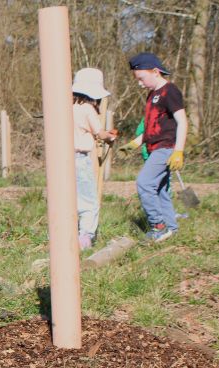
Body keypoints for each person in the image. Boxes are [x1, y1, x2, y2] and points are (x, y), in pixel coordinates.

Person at [122, 52, 187, 242]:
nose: (140, 84)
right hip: (154, 148)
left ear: (155, 72)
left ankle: (158, 225)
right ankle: (171, 228)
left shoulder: (170, 91)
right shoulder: (152, 95)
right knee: (159, 190)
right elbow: (152, 127)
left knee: (144, 183)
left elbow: (182, 122)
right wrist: (136, 142)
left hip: (166, 148)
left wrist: (178, 151)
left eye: (141, 78)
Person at [71, 68, 117, 250]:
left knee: (69, 199)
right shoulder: (88, 109)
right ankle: (85, 238)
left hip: (62, 160)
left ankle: (65, 235)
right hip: (80, 159)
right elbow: (100, 133)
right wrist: (110, 136)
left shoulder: (66, 106)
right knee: (89, 202)